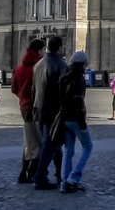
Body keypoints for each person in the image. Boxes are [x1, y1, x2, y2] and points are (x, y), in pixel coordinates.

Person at [32, 36, 68, 190]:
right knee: (50, 144)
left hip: (38, 107)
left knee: (53, 144)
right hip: (53, 109)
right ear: (60, 47)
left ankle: (60, 175)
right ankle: (40, 177)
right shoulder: (61, 65)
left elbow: (33, 88)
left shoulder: (38, 64)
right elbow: (63, 91)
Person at [11, 38, 45, 184]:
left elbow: (13, 88)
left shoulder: (19, 68)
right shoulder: (39, 67)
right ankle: (30, 173)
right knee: (38, 143)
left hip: (24, 107)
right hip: (36, 107)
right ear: (40, 50)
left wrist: (22, 97)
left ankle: (25, 172)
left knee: (29, 142)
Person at [59, 51, 93, 193]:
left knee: (68, 150)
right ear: (84, 64)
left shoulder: (64, 75)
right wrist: (83, 124)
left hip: (64, 116)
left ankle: (65, 182)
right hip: (75, 117)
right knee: (87, 146)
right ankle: (74, 177)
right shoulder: (78, 78)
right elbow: (79, 101)